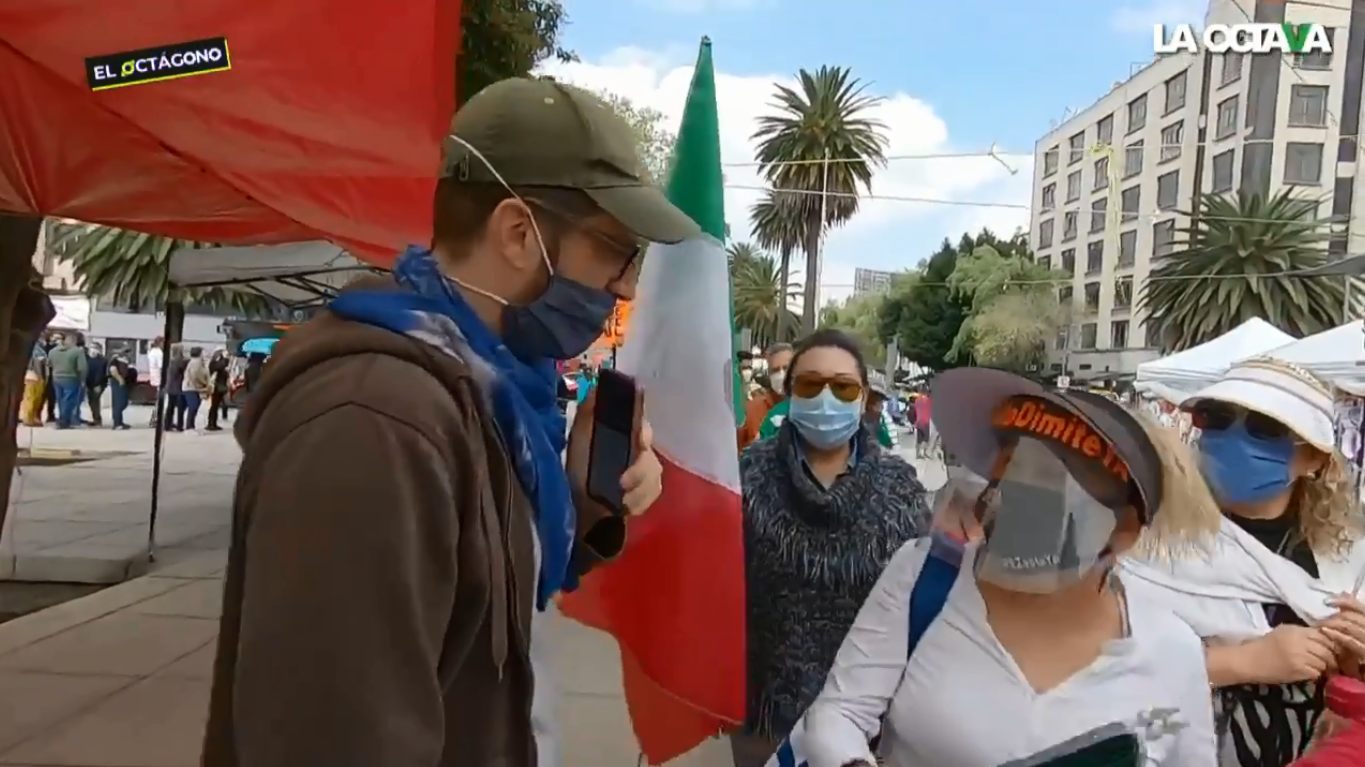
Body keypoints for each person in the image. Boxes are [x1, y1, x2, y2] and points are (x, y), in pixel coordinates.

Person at [201, 77, 696, 767]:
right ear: (520, 234)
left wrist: (578, 501)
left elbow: (475, 597)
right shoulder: (377, 420)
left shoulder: (491, 398)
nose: (626, 286)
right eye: (616, 250)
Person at [783, 367, 1218, 767]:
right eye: (1011, 468)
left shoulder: (1171, 655)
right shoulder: (924, 578)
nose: (1014, 498)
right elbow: (839, 712)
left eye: (1056, 483)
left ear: (1124, 531)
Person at [1121, 358, 1365, 767]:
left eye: (1266, 428)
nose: (1233, 439)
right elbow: (1100, 666)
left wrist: (1354, 661)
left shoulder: (1348, 557)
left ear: (1314, 461)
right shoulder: (1148, 539)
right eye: (1216, 418)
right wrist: (1241, 662)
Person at [732, 329, 929, 767]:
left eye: (842, 386)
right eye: (810, 384)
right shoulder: (746, 477)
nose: (826, 398)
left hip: (866, 728)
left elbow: (921, 603)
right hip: (765, 721)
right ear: (789, 395)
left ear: (862, 399)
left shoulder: (901, 490)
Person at [738, 342, 792, 451]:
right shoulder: (751, 409)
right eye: (775, 370)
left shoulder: (808, 409)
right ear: (769, 373)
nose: (781, 375)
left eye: (786, 368)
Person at [46, 333, 86, 429]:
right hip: (71, 378)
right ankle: (63, 421)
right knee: (69, 400)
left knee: (60, 400)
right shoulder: (77, 351)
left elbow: (48, 364)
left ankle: (63, 420)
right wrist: (83, 379)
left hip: (56, 378)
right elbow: (83, 367)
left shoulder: (53, 351)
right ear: (74, 341)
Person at [182, 346, 211, 432]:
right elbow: (195, 375)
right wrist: (204, 383)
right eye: (203, 352)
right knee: (193, 406)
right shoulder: (196, 362)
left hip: (194, 387)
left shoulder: (198, 362)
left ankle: (191, 425)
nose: (204, 354)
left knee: (195, 406)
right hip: (192, 387)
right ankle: (189, 426)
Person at [20, 343, 46, 427]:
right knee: (31, 398)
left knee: (32, 398)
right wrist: (40, 376)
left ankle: (31, 418)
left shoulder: (32, 348)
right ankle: (28, 419)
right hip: (34, 376)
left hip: (30, 376)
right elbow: (37, 364)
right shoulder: (36, 350)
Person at [162, 344, 187, 432]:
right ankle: (179, 425)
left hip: (171, 386)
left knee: (171, 406)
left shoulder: (172, 360)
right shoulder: (178, 361)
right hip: (177, 386)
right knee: (180, 406)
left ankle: (167, 424)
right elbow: (180, 371)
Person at [107, 352, 134, 430]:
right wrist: (119, 379)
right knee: (118, 403)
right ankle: (117, 423)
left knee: (122, 402)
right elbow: (113, 370)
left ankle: (120, 421)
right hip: (117, 382)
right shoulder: (115, 360)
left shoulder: (124, 361)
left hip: (122, 382)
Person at [84, 342, 108, 427]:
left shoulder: (103, 360)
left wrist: (98, 384)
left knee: (94, 400)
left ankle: (97, 419)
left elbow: (102, 373)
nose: (93, 350)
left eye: (95, 348)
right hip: (88, 383)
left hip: (98, 384)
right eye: (91, 348)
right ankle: (96, 418)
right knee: (91, 401)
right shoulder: (86, 359)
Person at [207, 348, 231, 431]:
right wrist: (226, 359)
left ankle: (213, 423)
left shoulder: (220, 363)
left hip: (220, 387)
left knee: (216, 406)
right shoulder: (215, 363)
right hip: (216, 387)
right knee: (214, 406)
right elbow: (219, 366)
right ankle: (211, 423)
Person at [147, 336, 164, 427]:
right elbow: (161, 366)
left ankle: (155, 419)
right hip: (160, 379)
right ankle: (155, 419)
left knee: (159, 400)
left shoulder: (151, 352)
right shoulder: (159, 353)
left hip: (155, 378)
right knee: (162, 401)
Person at [912, 391, 932, 458]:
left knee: (919, 440)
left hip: (918, 422)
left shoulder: (917, 401)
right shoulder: (929, 400)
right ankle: (925, 453)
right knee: (926, 439)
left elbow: (915, 409)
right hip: (925, 422)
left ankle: (917, 454)